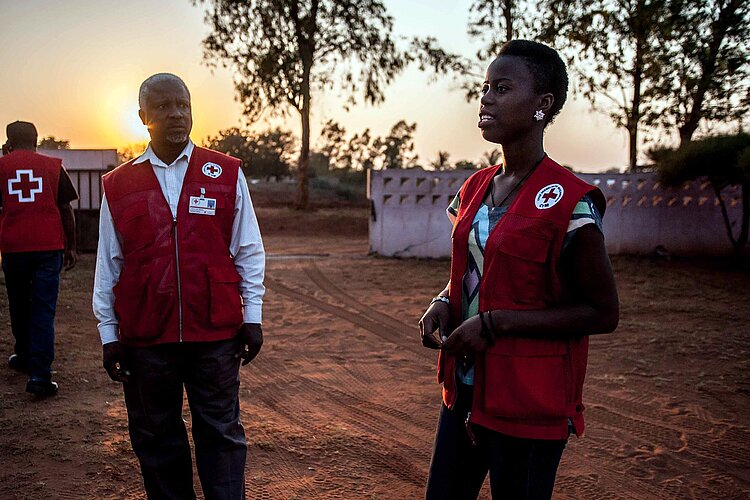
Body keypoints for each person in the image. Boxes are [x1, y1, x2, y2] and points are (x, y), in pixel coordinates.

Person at [419, 40, 619, 499]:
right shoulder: (474, 188)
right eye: (485, 87)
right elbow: (479, 271)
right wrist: (445, 301)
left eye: (502, 88)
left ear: (542, 105)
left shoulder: (571, 201)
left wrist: (495, 323)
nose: (486, 97)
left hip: (529, 399)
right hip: (464, 388)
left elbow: (602, 312)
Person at [93, 73, 265, 499]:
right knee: (156, 439)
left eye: (183, 105)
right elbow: (108, 264)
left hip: (216, 332)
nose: (177, 114)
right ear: (143, 117)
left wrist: (254, 316)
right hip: (146, 337)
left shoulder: (225, 172)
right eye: (165, 106)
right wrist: (109, 335)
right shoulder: (118, 184)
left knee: (222, 435)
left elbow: (248, 249)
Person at [0, 121, 78, 397]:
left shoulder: (2, 167)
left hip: (12, 248)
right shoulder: (53, 166)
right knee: (42, 310)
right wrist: (71, 247)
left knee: (19, 305)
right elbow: (66, 209)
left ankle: (23, 355)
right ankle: (39, 376)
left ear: (9, 142)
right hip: (48, 248)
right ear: (37, 140)